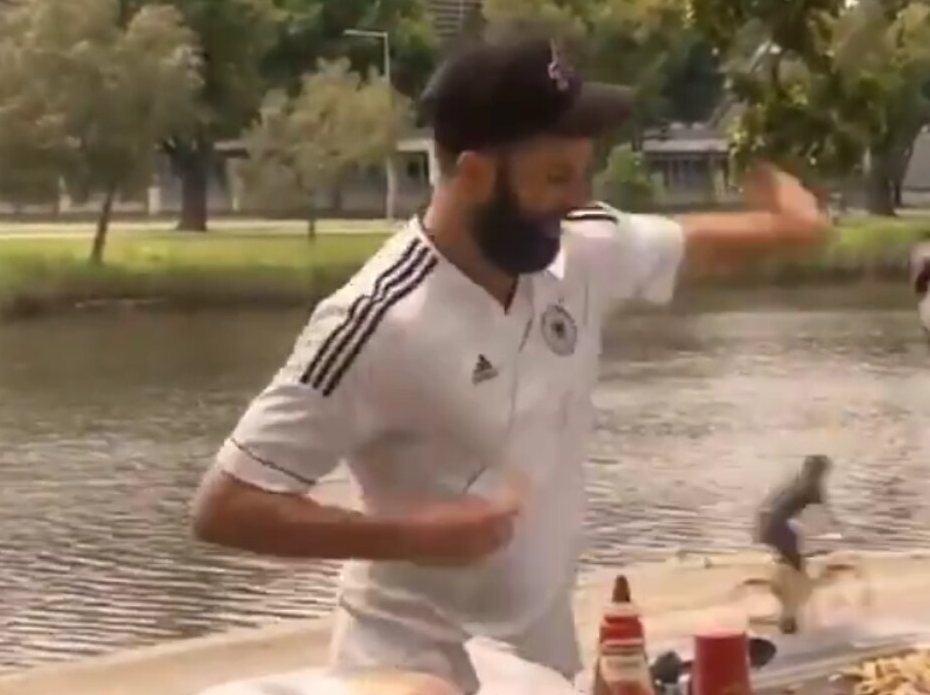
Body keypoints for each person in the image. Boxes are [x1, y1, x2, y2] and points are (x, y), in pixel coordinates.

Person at [190, 34, 829, 694]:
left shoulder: (578, 251)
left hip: (539, 669)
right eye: (556, 177)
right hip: (408, 668)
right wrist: (414, 534)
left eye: (585, 171)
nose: (580, 197)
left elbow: (703, 244)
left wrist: (795, 222)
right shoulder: (375, 321)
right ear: (473, 175)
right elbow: (226, 506)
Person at [754, 454, 836, 634]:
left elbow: (770, 508)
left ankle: (786, 611)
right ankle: (788, 620)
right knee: (798, 574)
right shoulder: (813, 490)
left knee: (791, 566)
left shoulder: (793, 483)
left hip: (766, 527)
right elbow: (824, 518)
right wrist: (834, 537)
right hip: (782, 530)